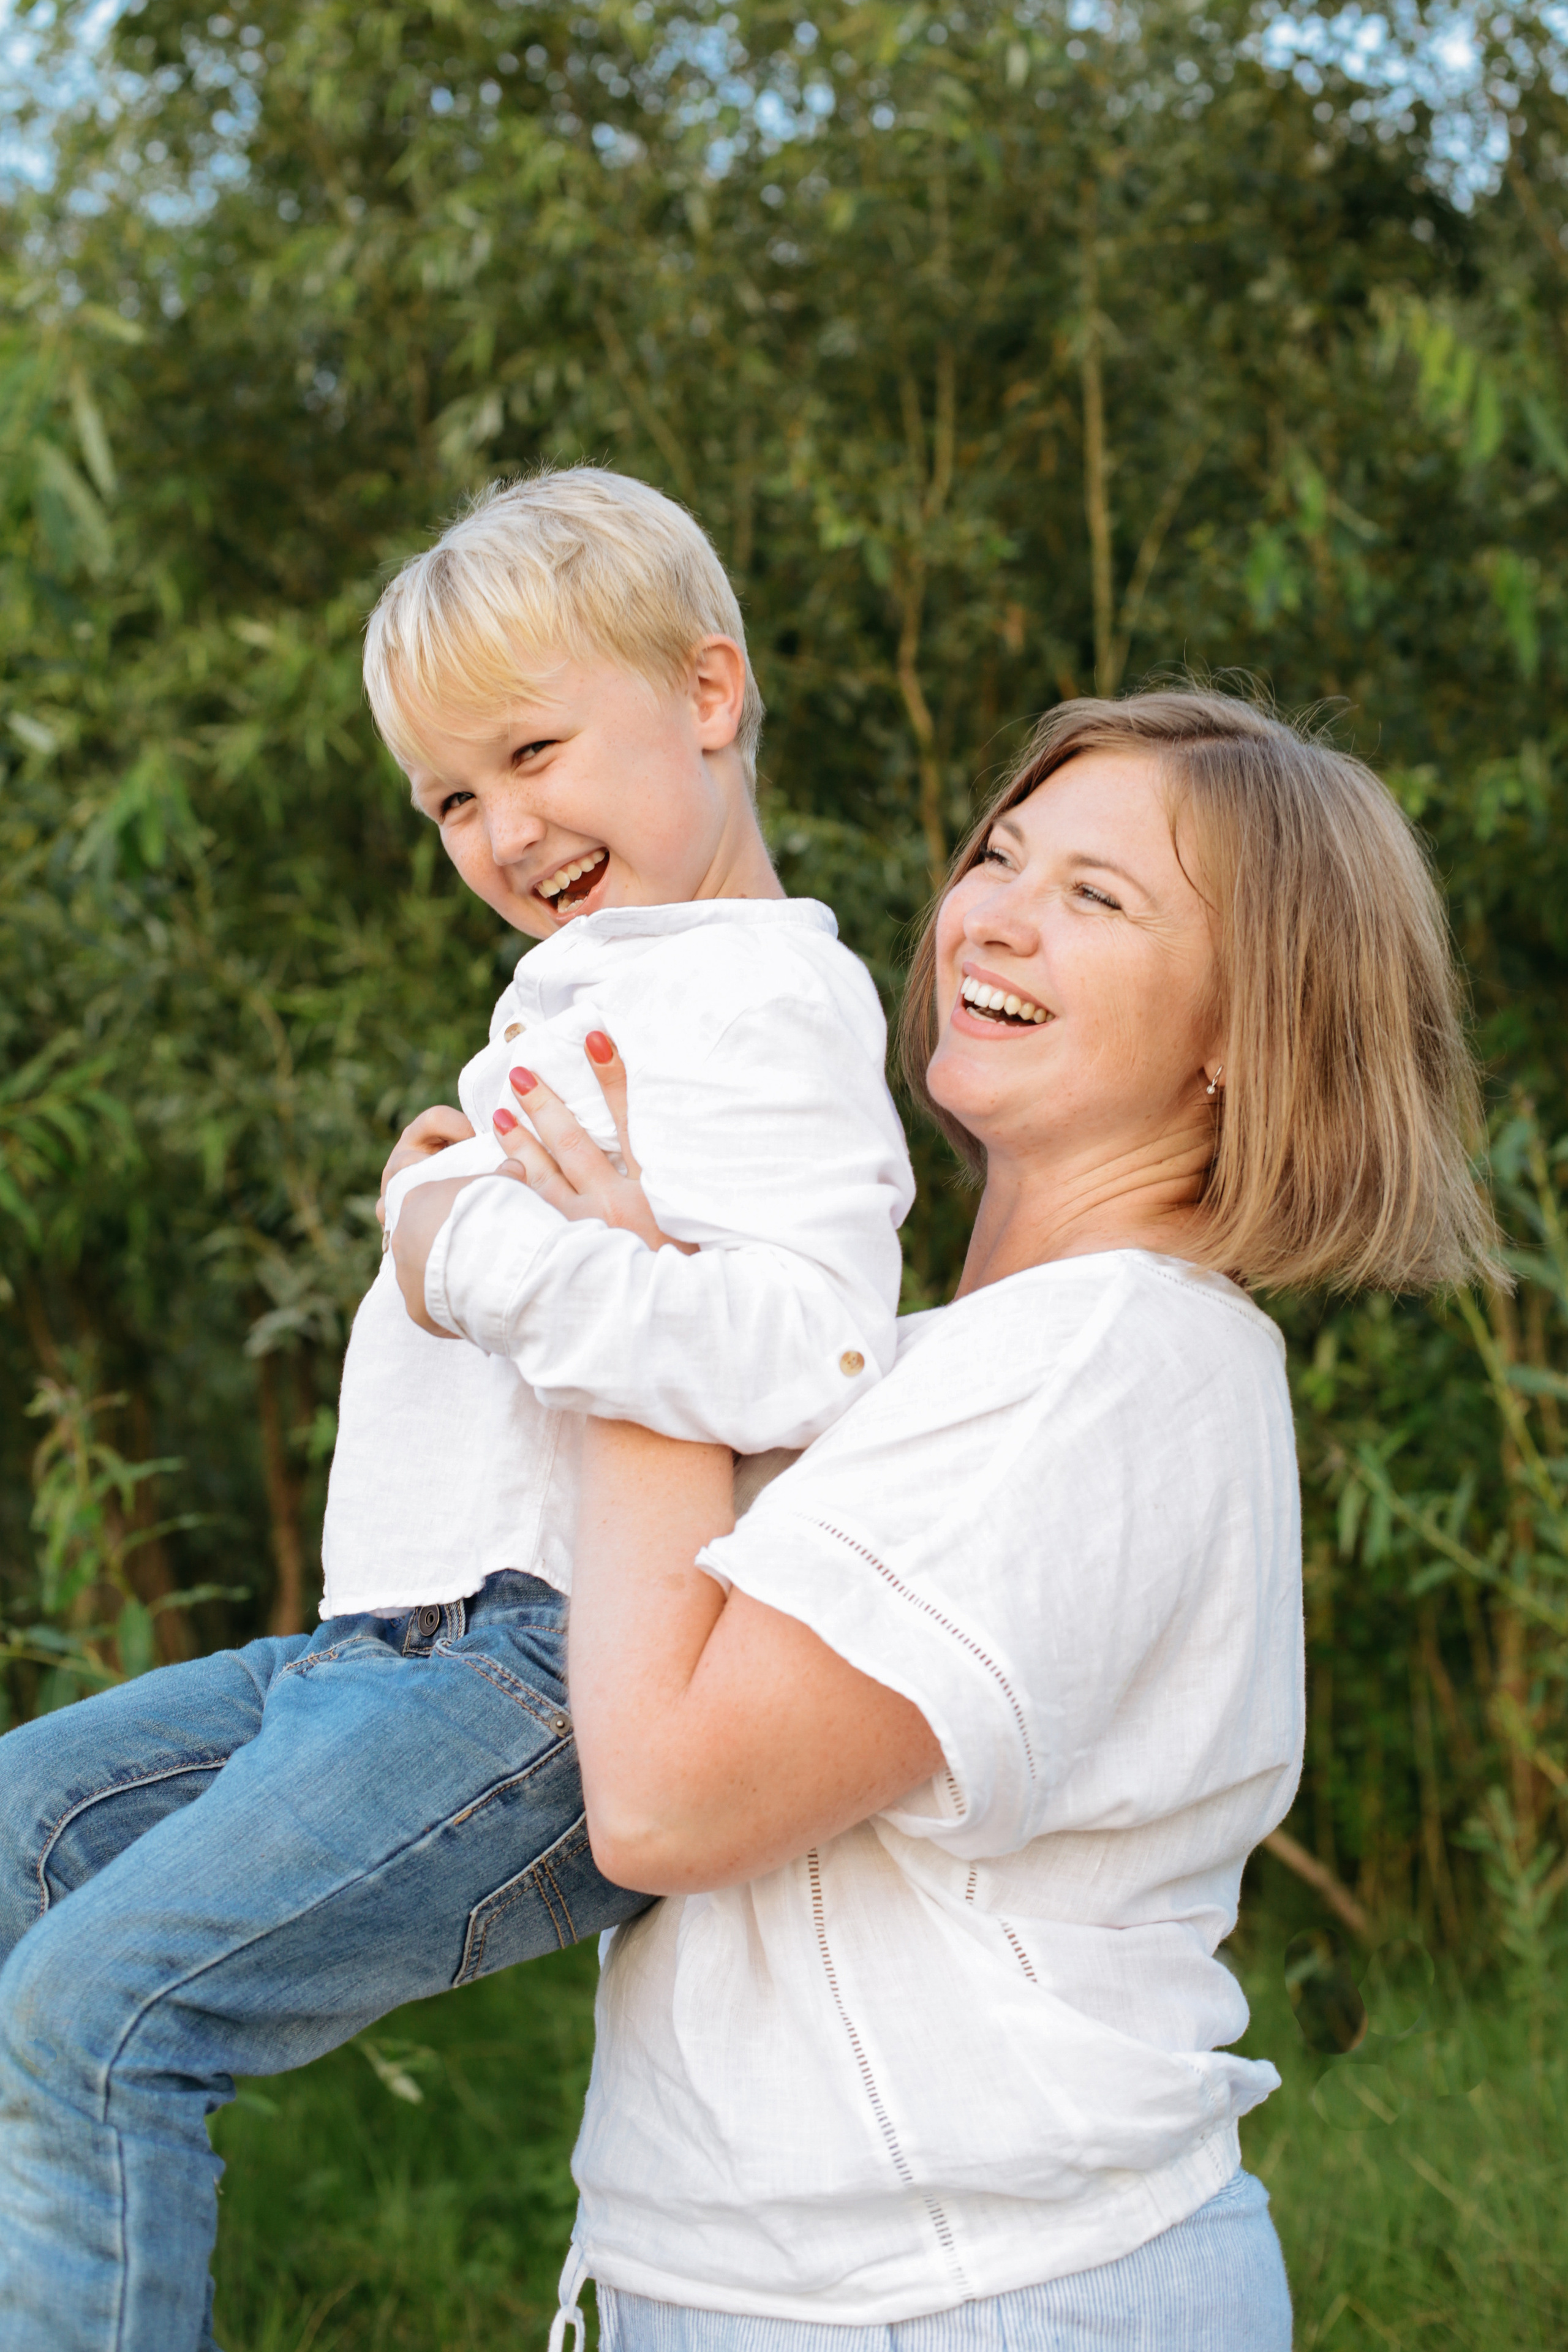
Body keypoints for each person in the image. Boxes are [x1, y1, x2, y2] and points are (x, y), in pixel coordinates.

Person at [0, 467, 914, 2352]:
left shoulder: (767, 999)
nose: (504, 828)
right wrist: (455, 1217)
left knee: (98, 2021)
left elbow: (811, 1352)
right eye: (452, 800)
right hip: (388, 1650)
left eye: (532, 752)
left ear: (710, 694)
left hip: (546, 1671)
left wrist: (452, 1240)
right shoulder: (595, 987)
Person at [462, 688, 1496, 2349]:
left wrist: (628, 1303)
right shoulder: (957, 1360)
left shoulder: (1097, 1363)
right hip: (835, 2288)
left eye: (1098, 895)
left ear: (1248, 1027)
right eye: (1002, 855)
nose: (993, 915)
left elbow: (659, 1801)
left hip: (972, 2299)